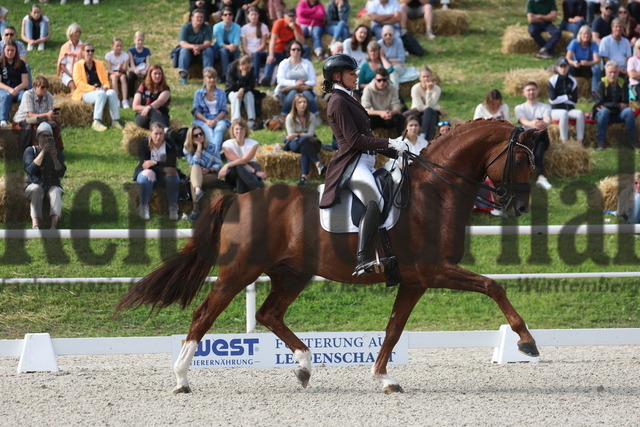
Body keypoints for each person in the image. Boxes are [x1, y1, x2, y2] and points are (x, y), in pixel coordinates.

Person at [319, 54, 407, 277]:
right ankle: (363, 259)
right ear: (338, 77)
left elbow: (366, 136)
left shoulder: (349, 97)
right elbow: (355, 140)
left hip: (365, 161)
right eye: (351, 73)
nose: (356, 76)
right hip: (352, 163)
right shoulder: (337, 102)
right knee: (373, 200)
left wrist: (395, 151)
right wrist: (390, 141)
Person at [133, 123, 181, 221]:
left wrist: (154, 162)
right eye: (156, 134)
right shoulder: (144, 144)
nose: (158, 137)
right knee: (148, 173)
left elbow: (171, 163)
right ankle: (143, 206)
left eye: (161, 133)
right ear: (150, 133)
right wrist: (162, 167)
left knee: (173, 175)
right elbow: (145, 164)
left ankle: (173, 207)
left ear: (164, 134)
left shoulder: (170, 143)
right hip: (147, 173)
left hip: (163, 175)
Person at [23, 122, 66, 230]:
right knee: (36, 189)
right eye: (43, 135)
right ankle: (36, 225)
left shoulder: (57, 152)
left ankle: (54, 226)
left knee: (56, 190)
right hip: (34, 183)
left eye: (49, 136)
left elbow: (61, 173)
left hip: (51, 184)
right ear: (38, 137)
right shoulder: (30, 151)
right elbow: (30, 170)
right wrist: (43, 152)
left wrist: (55, 157)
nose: (46, 138)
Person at [71, 43, 122, 132]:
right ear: (83, 52)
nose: (90, 53)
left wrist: (106, 87)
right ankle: (96, 122)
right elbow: (79, 83)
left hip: (100, 89)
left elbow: (105, 80)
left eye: (92, 51)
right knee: (100, 94)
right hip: (85, 92)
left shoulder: (99, 64)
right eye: (88, 51)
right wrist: (94, 89)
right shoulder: (77, 65)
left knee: (112, 92)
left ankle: (115, 121)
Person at [514, 81, 553, 190]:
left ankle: (539, 178)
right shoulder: (519, 108)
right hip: (527, 138)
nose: (531, 92)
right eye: (528, 90)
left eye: (533, 89)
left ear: (537, 91)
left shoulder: (545, 106)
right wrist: (534, 124)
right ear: (524, 93)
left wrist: (543, 123)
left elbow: (547, 119)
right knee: (537, 152)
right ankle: (541, 177)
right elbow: (523, 121)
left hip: (540, 136)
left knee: (539, 138)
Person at [593, 60, 637, 149]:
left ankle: (633, 142)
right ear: (606, 73)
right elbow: (600, 103)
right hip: (603, 114)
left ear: (618, 72)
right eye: (610, 72)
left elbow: (625, 102)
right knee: (604, 111)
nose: (613, 75)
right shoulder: (601, 84)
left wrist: (612, 105)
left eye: (615, 72)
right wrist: (617, 105)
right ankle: (601, 141)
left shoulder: (623, 83)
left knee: (628, 111)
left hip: (617, 114)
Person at [182, 125, 222, 221]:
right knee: (195, 171)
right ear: (191, 138)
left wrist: (209, 170)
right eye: (196, 136)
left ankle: (196, 211)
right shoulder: (187, 149)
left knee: (193, 178)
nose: (199, 136)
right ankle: (198, 191)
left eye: (201, 134)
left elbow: (219, 164)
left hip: (211, 174)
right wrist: (199, 147)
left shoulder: (212, 147)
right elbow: (194, 163)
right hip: (197, 173)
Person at [13, 75, 63, 151]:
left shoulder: (49, 95)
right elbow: (30, 115)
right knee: (34, 127)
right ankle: (28, 150)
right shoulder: (28, 94)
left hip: (40, 120)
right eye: (42, 87)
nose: (45, 89)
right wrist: (47, 115)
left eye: (46, 87)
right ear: (35, 86)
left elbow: (49, 113)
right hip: (22, 121)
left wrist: (54, 115)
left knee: (56, 125)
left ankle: (56, 149)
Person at [261, 8, 308, 86]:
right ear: (284, 16)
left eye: (293, 16)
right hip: (278, 50)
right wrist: (271, 54)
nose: (291, 18)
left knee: (306, 48)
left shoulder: (297, 26)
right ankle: (267, 78)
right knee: (271, 58)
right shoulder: (278, 23)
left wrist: (294, 29)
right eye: (289, 16)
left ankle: (304, 70)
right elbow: (272, 40)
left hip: (290, 53)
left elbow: (301, 43)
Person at [284, 93, 323, 186]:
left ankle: (304, 177)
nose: (302, 104)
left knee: (304, 147)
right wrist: (302, 135)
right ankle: (317, 163)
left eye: (304, 102)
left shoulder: (312, 116)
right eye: (300, 102)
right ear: (295, 104)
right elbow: (291, 136)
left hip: (306, 143)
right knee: (305, 141)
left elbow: (310, 133)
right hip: (294, 144)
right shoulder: (289, 117)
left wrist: (297, 134)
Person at [219, 118, 267, 193]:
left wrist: (226, 165)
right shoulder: (226, 144)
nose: (239, 131)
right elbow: (238, 162)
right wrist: (256, 172)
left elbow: (244, 161)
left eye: (241, 129)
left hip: (249, 169)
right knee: (238, 167)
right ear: (232, 130)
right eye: (237, 129)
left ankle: (240, 193)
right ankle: (258, 188)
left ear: (245, 130)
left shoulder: (253, 144)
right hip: (233, 172)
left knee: (241, 171)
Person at [274, 40, 319, 117]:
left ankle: (317, 116)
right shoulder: (284, 63)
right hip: (288, 89)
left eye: (298, 49)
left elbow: (313, 81)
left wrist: (302, 83)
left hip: (305, 88)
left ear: (301, 51)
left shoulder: (307, 63)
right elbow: (280, 80)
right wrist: (295, 83)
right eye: (293, 49)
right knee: (293, 93)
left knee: (307, 94)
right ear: (289, 51)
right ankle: (283, 116)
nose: (296, 51)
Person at [192, 67, 230, 151]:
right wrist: (206, 120)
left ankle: (212, 152)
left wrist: (215, 120)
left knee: (219, 129)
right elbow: (196, 111)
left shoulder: (221, 93)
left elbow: (224, 111)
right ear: (204, 79)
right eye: (209, 77)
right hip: (203, 119)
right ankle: (216, 152)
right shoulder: (198, 93)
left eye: (214, 78)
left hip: (219, 119)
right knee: (208, 130)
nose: (212, 80)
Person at [548, 57, 585, 144]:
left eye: (565, 66)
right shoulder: (552, 80)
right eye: (561, 66)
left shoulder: (573, 81)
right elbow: (552, 99)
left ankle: (580, 140)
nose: (563, 69)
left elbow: (575, 100)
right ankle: (564, 141)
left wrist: (560, 98)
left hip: (569, 109)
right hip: (555, 110)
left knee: (579, 113)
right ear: (557, 68)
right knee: (563, 114)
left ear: (568, 67)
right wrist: (567, 97)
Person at [362, 68, 405, 135]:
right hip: (375, 115)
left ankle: (401, 141)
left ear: (387, 79)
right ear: (375, 79)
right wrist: (380, 113)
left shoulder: (393, 88)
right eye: (379, 80)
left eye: (384, 80)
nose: (382, 83)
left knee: (400, 118)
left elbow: (397, 106)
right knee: (365, 120)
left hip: (389, 115)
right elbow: (365, 109)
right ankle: (369, 142)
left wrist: (390, 113)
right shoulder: (368, 89)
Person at [177, 8, 214, 85]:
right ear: (192, 18)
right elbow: (182, 43)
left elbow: (208, 43)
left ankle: (207, 76)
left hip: (202, 53)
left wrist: (199, 47)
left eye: (201, 17)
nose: (200, 19)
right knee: (184, 50)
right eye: (198, 17)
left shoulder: (206, 28)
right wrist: (194, 47)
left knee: (209, 50)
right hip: (189, 53)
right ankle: (183, 76)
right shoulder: (186, 27)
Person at [408, 66, 446, 141]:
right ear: (420, 78)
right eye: (424, 77)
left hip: (430, 113)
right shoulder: (415, 88)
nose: (426, 79)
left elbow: (430, 106)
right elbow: (419, 107)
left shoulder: (437, 89)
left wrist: (429, 90)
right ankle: (427, 139)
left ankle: (425, 138)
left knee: (430, 113)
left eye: (428, 76)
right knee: (429, 112)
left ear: (431, 77)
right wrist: (438, 107)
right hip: (418, 113)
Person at [132, 64, 171, 130]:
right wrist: (149, 109)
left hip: (161, 116)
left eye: (160, 74)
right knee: (152, 111)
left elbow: (160, 101)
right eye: (155, 73)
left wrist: (149, 108)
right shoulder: (143, 87)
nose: (158, 76)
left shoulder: (165, 89)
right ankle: (165, 130)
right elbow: (135, 106)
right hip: (143, 116)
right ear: (150, 75)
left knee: (153, 118)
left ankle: (159, 131)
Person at [566, 24, 601, 96]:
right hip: (577, 66)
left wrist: (588, 63)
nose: (586, 36)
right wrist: (573, 63)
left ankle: (594, 92)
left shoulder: (593, 44)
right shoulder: (574, 42)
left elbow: (597, 60)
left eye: (588, 34)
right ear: (580, 34)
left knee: (597, 68)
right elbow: (567, 58)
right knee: (566, 65)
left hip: (589, 66)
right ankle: (568, 89)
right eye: (584, 34)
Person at [0, 40, 28, 127]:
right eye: (8, 50)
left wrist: (16, 89)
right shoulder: (0, 63)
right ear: (4, 50)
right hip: (4, 89)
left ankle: (24, 118)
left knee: (25, 96)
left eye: (12, 50)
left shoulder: (21, 63)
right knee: (6, 96)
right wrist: (9, 89)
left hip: (18, 89)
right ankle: (3, 120)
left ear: (16, 51)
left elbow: (25, 82)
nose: (10, 52)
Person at [226, 55, 258, 129]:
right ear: (240, 65)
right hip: (232, 91)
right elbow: (231, 85)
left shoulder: (251, 69)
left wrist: (243, 89)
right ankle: (235, 120)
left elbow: (251, 85)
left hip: (246, 90)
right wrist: (242, 76)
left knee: (249, 95)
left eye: (248, 68)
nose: (247, 69)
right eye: (246, 68)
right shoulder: (231, 68)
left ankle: (251, 119)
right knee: (236, 96)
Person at [241, 6, 269, 85]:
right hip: (248, 51)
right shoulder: (244, 28)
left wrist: (254, 52)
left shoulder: (263, 27)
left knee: (256, 55)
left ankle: (255, 79)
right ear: (248, 16)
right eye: (252, 14)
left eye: (255, 14)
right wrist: (249, 52)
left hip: (260, 51)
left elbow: (263, 44)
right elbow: (244, 45)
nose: (254, 16)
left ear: (258, 15)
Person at [213, 6, 242, 83]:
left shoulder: (237, 27)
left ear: (233, 16)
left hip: (232, 47)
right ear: (222, 17)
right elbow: (219, 42)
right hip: (219, 48)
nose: (228, 16)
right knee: (224, 51)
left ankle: (237, 74)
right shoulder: (216, 27)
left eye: (230, 14)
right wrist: (228, 46)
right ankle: (225, 75)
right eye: (225, 15)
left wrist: (233, 46)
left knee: (237, 52)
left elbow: (237, 42)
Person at [56, 23, 83, 94]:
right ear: (71, 33)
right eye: (77, 32)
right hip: (67, 73)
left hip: (80, 73)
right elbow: (62, 65)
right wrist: (71, 75)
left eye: (79, 32)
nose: (79, 33)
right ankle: (73, 103)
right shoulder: (65, 47)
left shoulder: (82, 46)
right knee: (73, 86)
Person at [105, 37, 130, 109]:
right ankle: (116, 99)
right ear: (112, 46)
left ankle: (124, 100)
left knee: (123, 78)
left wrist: (120, 68)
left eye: (120, 46)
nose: (119, 48)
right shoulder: (109, 55)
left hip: (121, 72)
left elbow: (125, 69)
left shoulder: (125, 55)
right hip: (112, 72)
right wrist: (115, 73)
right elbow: (108, 69)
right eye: (117, 46)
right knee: (114, 78)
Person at [127, 31, 152, 104]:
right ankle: (131, 97)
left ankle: (148, 96)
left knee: (149, 77)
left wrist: (146, 70)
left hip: (143, 69)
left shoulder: (146, 51)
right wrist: (135, 70)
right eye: (138, 40)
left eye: (142, 40)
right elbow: (131, 63)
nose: (140, 42)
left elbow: (147, 63)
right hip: (135, 69)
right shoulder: (131, 50)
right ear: (134, 40)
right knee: (131, 77)